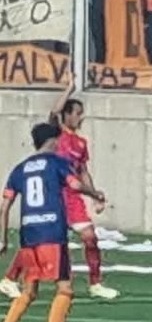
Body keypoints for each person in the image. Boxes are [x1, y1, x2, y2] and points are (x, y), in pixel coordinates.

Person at [0, 122, 106, 322]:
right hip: (51, 233)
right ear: (52, 141)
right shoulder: (57, 162)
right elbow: (76, 184)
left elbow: (4, 206)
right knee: (65, 289)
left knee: (29, 290)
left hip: (29, 236)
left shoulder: (20, 168)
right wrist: (95, 193)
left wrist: (3, 238)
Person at [1, 87, 116, 302]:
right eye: (78, 113)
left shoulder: (81, 143)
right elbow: (54, 113)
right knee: (42, 239)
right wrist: (69, 88)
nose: (81, 117)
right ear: (68, 114)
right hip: (54, 195)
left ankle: (96, 283)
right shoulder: (57, 135)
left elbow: (82, 172)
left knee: (90, 238)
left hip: (73, 197)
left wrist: (95, 196)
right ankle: (10, 278)